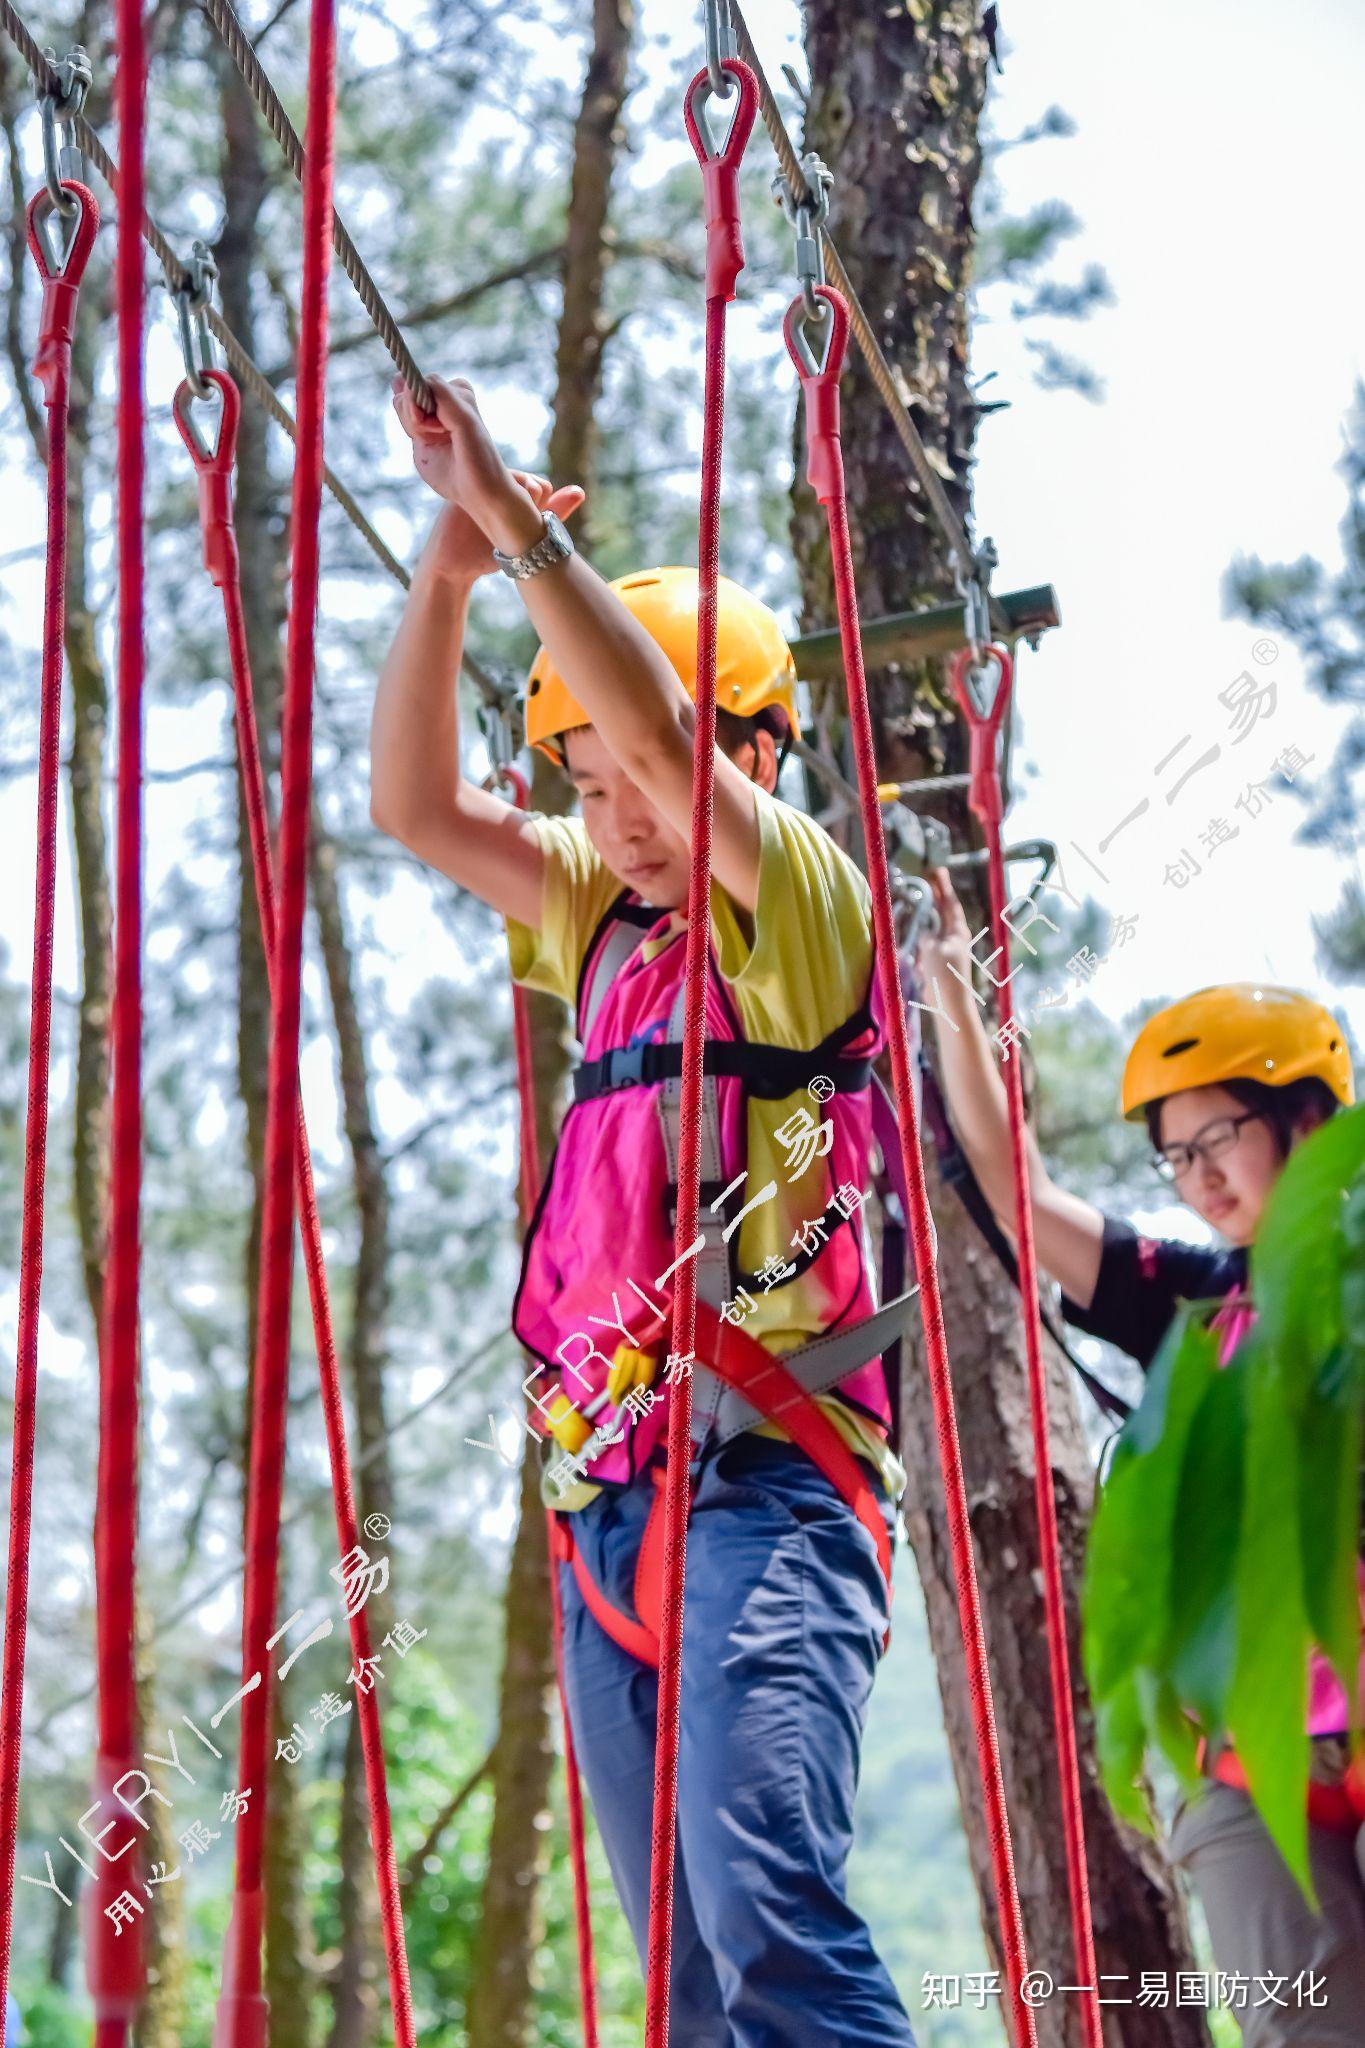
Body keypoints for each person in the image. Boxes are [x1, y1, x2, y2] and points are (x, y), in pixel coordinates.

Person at [372, 372, 918, 2046]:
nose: (618, 812)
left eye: (649, 778)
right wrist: (450, 576)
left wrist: (525, 531)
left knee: (767, 1909)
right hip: (610, 1498)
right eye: (587, 780)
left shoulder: (810, 903)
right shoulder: (602, 927)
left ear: (755, 755)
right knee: (687, 1979)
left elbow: (672, 753)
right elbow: (415, 810)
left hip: (774, 1482)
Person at [915, 863, 1362, 2043]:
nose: (1198, 1175)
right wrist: (951, 993)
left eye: (1218, 1135)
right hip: (1254, 1765)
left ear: (1307, 1119)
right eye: (1175, 1154)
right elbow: (1016, 1189)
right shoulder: (1196, 1305)